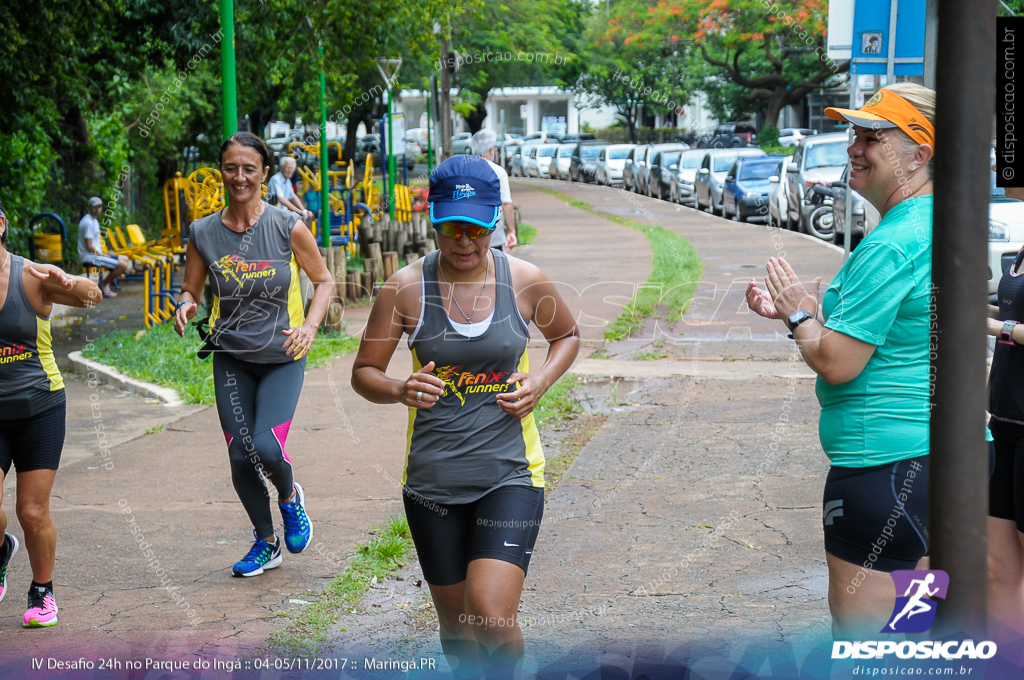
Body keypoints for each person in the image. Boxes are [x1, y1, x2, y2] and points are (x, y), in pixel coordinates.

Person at [351, 155, 579, 679]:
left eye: (476, 228)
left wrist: (540, 382)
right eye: (453, 228)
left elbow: (566, 336)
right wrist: (399, 389)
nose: (465, 241)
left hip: (511, 473)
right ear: (434, 220)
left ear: (494, 221)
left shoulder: (525, 281)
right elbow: (365, 371)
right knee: (457, 628)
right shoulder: (404, 288)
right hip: (432, 482)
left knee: (492, 615)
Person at [745, 83, 936, 638]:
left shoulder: (893, 243)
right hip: (931, 466)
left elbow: (837, 363)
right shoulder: (936, 226)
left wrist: (799, 316)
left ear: (918, 155)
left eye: (871, 138)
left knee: (867, 650)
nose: (853, 148)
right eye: (854, 133)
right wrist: (800, 310)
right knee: (914, 645)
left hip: (884, 470)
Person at [174, 132, 334, 577]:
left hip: (283, 354)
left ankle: (289, 498)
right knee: (241, 455)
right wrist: (185, 303)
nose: (239, 177)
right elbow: (191, 287)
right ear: (221, 171)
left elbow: (324, 281)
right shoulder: (203, 232)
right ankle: (266, 542)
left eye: (249, 168)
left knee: (265, 445)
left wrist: (310, 327)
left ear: (264, 173)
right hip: (231, 356)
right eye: (231, 167)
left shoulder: (287, 226)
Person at [0, 197, 102, 626]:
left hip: (39, 405)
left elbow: (93, 297)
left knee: (32, 511)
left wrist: (70, 280)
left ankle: (42, 591)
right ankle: (3, 550)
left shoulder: (30, 275)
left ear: (1, 224)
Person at [984, 168, 1024, 633]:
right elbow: (1011, 309)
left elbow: (1010, 324)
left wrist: (1000, 329)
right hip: (1004, 422)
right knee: (998, 566)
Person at [471, 129, 517, 252]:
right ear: (491, 150)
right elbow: (506, 204)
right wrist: (511, 231)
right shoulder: (498, 172)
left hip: (467, 235)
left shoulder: (463, 170)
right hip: (493, 237)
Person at [77, 197, 129, 298]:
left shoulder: (94, 221)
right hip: (90, 256)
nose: (97, 209)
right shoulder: (88, 222)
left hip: (96, 255)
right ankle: (103, 285)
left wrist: (103, 255)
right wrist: (102, 255)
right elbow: (89, 247)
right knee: (122, 265)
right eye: (95, 207)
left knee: (125, 258)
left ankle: (106, 285)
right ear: (90, 207)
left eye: (99, 206)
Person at [267, 156, 313, 226]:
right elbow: (281, 199)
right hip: (273, 216)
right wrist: (300, 212)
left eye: (292, 168)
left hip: (282, 216)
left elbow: (293, 197)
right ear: (281, 168)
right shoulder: (276, 179)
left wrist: (304, 211)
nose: (290, 170)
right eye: (287, 167)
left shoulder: (288, 181)